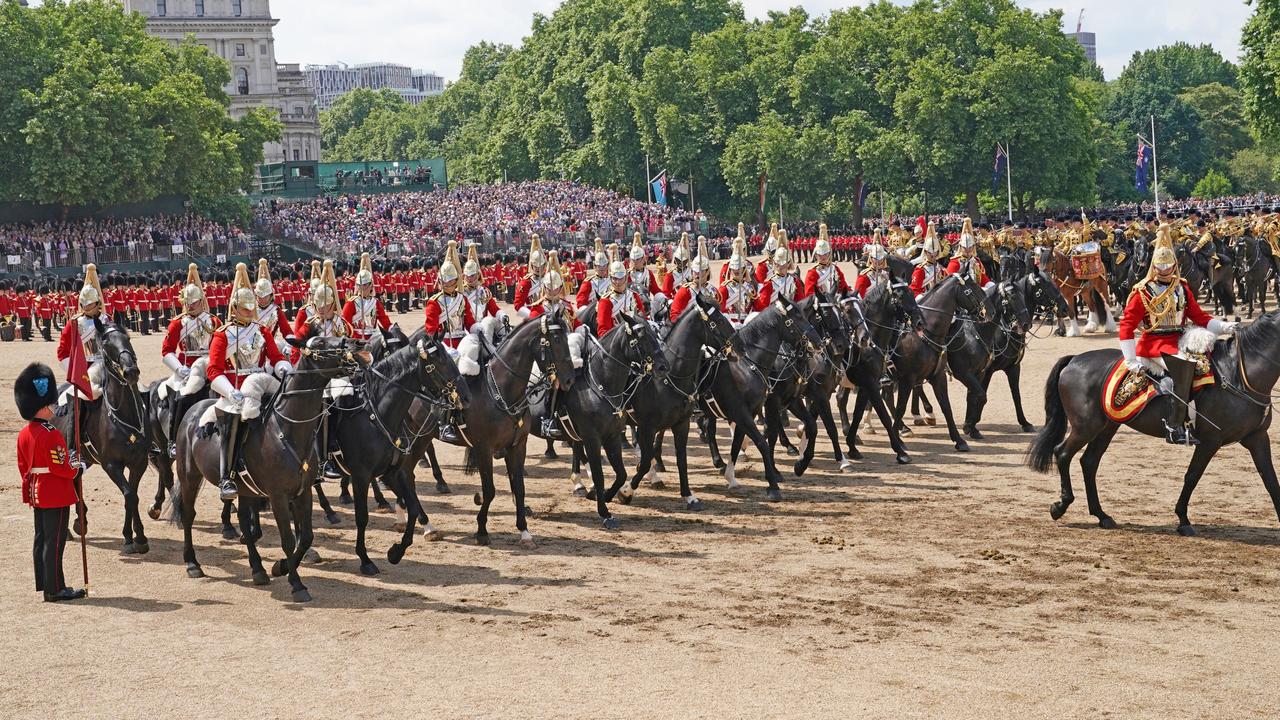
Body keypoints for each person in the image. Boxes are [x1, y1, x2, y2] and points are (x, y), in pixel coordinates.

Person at [1118, 223, 1236, 446]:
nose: (1165, 270)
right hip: (1154, 344)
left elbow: (1200, 317)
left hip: (1180, 339)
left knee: (1210, 364)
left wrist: (1224, 327)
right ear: (1155, 266)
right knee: (1184, 368)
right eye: (1161, 266)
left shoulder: (1181, 287)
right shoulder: (1142, 291)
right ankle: (1174, 426)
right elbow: (1126, 325)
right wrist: (1130, 360)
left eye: (1168, 265)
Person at [207, 263, 292, 501]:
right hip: (235, 389)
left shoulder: (262, 331)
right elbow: (213, 369)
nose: (249, 312)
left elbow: (275, 357)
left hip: (262, 383)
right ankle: (227, 477)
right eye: (244, 309)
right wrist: (229, 391)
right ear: (234, 308)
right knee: (231, 424)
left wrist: (284, 368)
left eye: (250, 308)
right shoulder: (222, 334)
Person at [16, 362, 87, 602]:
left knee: (42, 539)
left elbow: (23, 466)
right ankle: (55, 589)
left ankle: (46, 584)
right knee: (55, 542)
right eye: (50, 403)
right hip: (55, 492)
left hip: (37, 491)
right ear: (42, 406)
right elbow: (62, 468)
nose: (54, 407)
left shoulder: (25, 433)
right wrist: (77, 467)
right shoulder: (51, 433)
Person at [159, 264, 216, 458]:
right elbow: (167, 351)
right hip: (187, 369)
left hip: (211, 366)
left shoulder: (213, 321)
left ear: (201, 301)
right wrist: (179, 368)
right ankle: (173, 440)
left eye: (194, 302)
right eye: (188, 302)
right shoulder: (177, 323)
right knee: (180, 397)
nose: (190, 306)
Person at [55, 264, 106, 437]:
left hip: (107, 366)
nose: (86, 307)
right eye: (84, 304)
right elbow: (62, 353)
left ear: (97, 303)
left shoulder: (107, 320)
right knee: (78, 402)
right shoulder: (74, 324)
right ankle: (72, 445)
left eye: (90, 304)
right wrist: (77, 371)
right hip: (86, 370)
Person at [423, 240, 475, 349]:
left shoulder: (462, 298)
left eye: (450, 280)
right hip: (444, 343)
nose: (447, 283)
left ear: (456, 280)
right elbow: (431, 330)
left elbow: (469, 322)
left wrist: (476, 330)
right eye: (444, 281)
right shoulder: (434, 302)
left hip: (464, 341)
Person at [668, 236, 719, 324]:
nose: (697, 274)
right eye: (695, 271)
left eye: (701, 271)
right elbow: (675, 316)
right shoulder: (685, 290)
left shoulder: (712, 290)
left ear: (707, 272)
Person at [342, 253, 392, 342]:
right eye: (359, 285)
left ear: (370, 285)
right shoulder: (351, 303)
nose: (362, 288)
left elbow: (384, 319)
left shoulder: (375, 302)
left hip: (374, 337)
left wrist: (392, 329)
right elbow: (346, 323)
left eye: (365, 285)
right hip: (356, 338)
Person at [719, 233, 760, 327]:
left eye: (739, 269)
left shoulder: (749, 287)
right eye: (734, 270)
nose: (736, 271)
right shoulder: (725, 288)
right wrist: (730, 323)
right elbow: (721, 308)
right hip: (730, 325)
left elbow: (758, 307)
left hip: (747, 323)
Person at [755, 231, 806, 305]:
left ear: (788, 263)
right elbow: (763, 306)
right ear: (775, 263)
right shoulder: (769, 283)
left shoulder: (794, 281)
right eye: (778, 263)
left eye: (783, 264)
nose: (780, 267)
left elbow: (800, 303)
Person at [804, 224, 851, 298]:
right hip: (821, 305)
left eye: (825, 254)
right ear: (816, 256)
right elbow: (809, 294)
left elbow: (844, 287)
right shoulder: (812, 272)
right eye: (820, 255)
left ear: (829, 254)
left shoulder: (835, 269)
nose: (823, 257)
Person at [946, 217, 994, 289]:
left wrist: (991, 286)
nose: (968, 250)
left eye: (970, 247)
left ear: (973, 247)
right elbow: (950, 285)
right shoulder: (955, 263)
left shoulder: (976, 261)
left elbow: (983, 278)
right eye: (965, 248)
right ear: (961, 247)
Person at [460, 243, 501, 320]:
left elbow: (493, 308)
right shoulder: (460, 292)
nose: (469, 278)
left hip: (483, 325)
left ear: (478, 275)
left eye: (472, 275)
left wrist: (501, 315)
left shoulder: (484, 291)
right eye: (467, 275)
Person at [626, 232, 664, 312]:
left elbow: (655, 290)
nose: (635, 262)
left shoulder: (648, 273)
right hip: (632, 308)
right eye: (633, 260)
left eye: (637, 260)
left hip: (647, 306)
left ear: (643, 259)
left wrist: (664, 298)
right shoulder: (628, 275)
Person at [909, 222, 948, 299]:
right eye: (930, 253)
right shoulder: (920, 270)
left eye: (935, 252)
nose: (933, 255)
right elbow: (913, 291)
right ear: (926, 252)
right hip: (925, 304)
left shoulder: (941, 269)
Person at [513, 234, 548, 319]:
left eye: (539, 266)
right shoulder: (526, 282)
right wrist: (532, 316)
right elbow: (518, 305)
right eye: (535, 266)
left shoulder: (549, 278)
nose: (537, 269)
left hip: (549, 315)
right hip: (532, 318)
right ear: (531, 266)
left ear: (544, 266)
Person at [853, 230, 893, 297]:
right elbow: (859, 297)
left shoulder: (887, 274)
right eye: (875, 258)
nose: (878, 261)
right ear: (871, 258)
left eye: (881, 259)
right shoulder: (864, 276)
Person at [575, 238, 612, 308]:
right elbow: (581, 303)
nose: (602, 268)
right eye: (599, 266)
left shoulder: (612, 280)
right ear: (595, 266)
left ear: (607, 266)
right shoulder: (588, 282)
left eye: (604, 265)